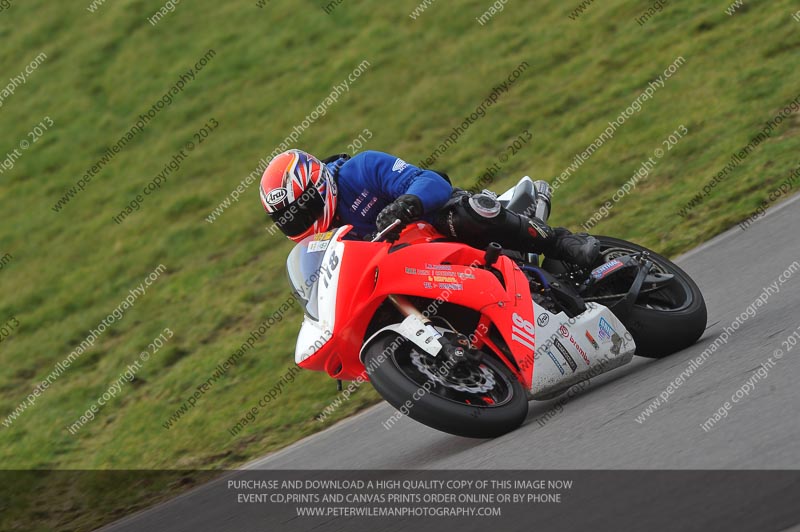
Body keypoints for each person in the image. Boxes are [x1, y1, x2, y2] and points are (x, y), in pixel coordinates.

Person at [259, 149, 599, 267]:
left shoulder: (360, 170)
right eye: (288, 219)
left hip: (438, 229)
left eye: (302, 209)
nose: (299, 221)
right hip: (410, 269)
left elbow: (432, 181)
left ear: (317, 185)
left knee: (461, 215)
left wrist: (407, 204)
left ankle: (559, 242)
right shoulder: (320, 244)